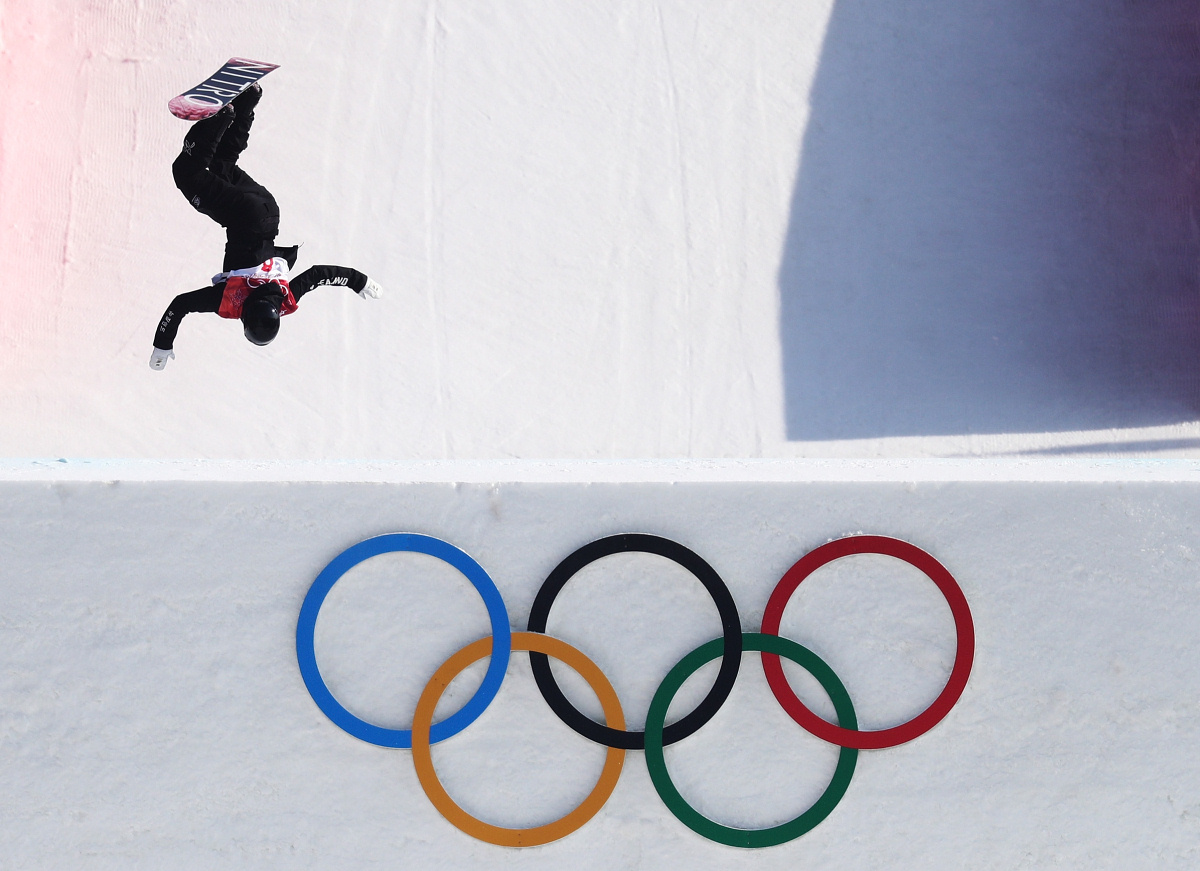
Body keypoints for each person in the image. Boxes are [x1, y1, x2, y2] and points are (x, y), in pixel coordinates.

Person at [150, 84, 382, 370]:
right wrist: (163, 344)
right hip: (242, 214)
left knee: (222, 164)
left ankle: (248, 101)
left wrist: (358, 281)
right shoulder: (231, 300)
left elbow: (319, 275)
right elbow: (180, 304)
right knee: (186, 172)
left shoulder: (286, 298)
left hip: (268, 211)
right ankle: (224, 115)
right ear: (245, 316)